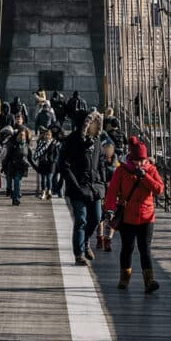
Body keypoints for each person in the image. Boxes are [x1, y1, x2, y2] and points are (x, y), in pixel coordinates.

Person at [102, 133, 165, 292]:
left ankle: (149, 282)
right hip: (128, 217)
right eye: (138, 161)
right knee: (127, 248)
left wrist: (145, 177)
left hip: (146, 217)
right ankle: (124, 279)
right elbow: (112, 192)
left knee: (145, 249)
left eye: (144, 160)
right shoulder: (122, 171)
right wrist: (109, 210)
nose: (141, 163)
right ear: (132, 158)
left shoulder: (150, 170)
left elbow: (159, 189)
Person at [57, 110, 107, 264]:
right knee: (81, 220)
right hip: (78, 187)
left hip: (95, 187)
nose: (95, 125)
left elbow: (101, 162)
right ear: (85, 124)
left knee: (97, 218)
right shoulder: (72, 140)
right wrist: (75, 185)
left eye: (97, 123)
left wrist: (103, 183)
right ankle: (79, 254)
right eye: (92, 122)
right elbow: (64, 165)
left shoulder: (97, 140)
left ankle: (85, 241)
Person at [0, 121, 31, 205]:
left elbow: (30, 158)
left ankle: (15, 196)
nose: (22, 137)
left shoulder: (26, 145)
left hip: (22, 167)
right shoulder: (12, 144)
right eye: (21, 135)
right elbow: (7, 156)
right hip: (13, 166)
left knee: (18, 183)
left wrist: (37, 168)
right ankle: (15, 197)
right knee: (15, 181)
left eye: (24, 135)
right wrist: (3, 167)